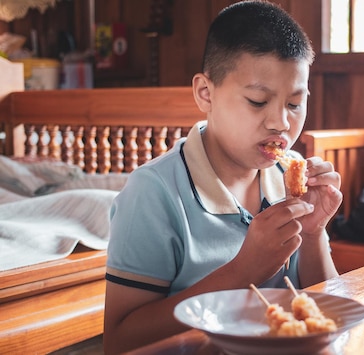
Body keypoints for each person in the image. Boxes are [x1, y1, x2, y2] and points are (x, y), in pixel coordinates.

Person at [102, 1, 342, 353]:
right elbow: (120, 341)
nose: (280, 123)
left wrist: (313, 233)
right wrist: (242, 271)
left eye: (294, 104)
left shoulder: (289, 175)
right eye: (258, 101)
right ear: (206, 93)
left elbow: (328, 315)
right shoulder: (154, 192)